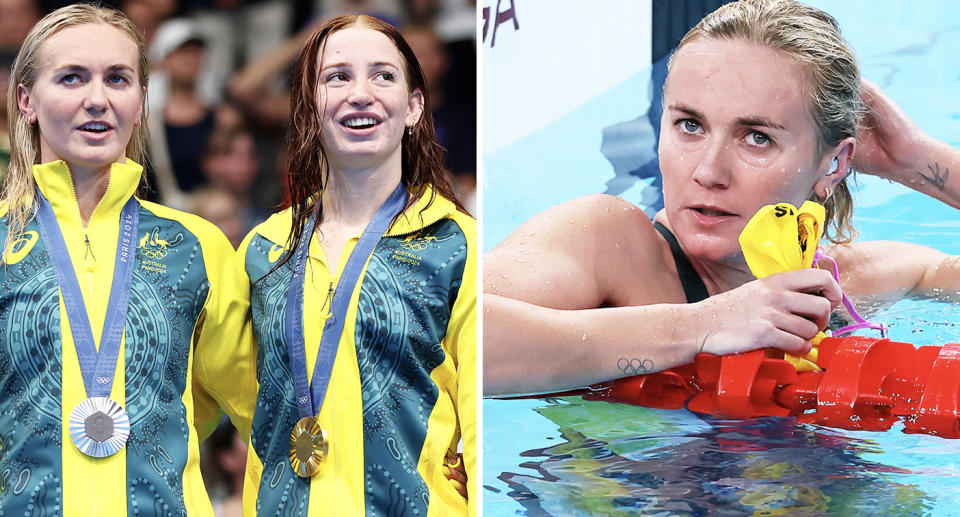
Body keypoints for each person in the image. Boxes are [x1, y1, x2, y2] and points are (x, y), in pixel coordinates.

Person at [483, 0, 960, 396]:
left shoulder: (845, 286)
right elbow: (441, 323)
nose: (708, 172)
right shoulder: (610, 246)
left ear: (832, 165)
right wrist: (703, 325)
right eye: (690, 125)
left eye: (756, 138)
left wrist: (918, 162)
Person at [0, 4, 255, 514]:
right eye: (72, 78)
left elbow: (260, 409)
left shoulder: (197, 247)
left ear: (140, 101)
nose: (98, 99)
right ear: (26, 100)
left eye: (118, 79)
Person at [238, 14, 476, 517]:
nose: (360, 93)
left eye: (383, 75)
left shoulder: (456, 244)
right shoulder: (263, 248)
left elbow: (481, 423)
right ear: (310, 107)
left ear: (414, 107)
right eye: (337, 76)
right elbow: (249, 406)